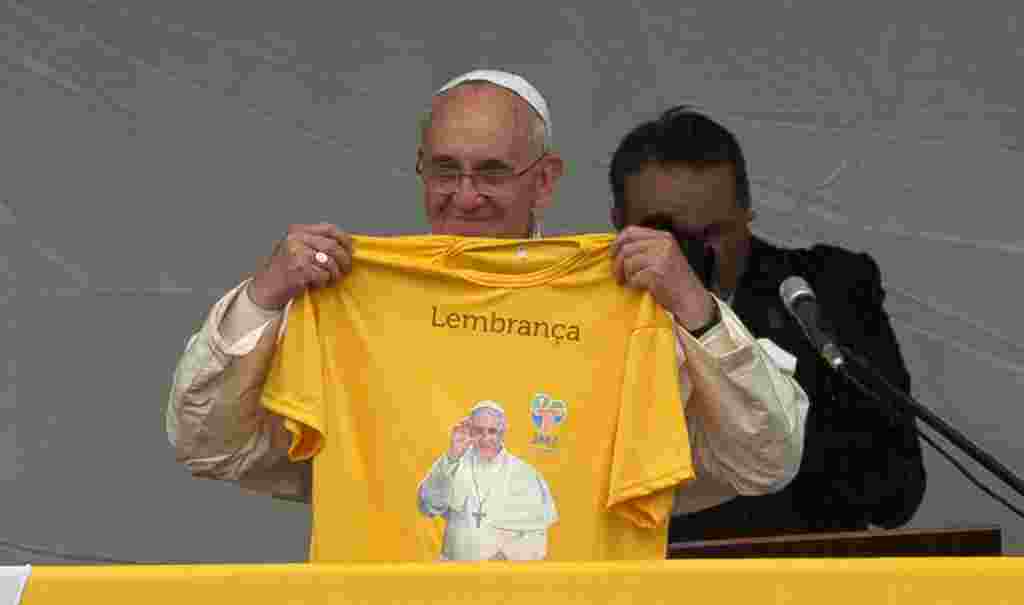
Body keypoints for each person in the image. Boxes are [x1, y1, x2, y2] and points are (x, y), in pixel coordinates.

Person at [166, 70, 808, 540]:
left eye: (492, 172)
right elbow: (205, 443)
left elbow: (767, 460)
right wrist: (262, 297)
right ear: (419, 169)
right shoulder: (347, 303)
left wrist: (696, 310)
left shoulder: (629, 303)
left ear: (546, 179)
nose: (465, 196)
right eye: (445, 170)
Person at [608, 106, 927, 541]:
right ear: (616, 225)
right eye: (666, 235)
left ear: (748, 215)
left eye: (712, 233)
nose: (684, 257)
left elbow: (897, 490)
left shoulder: (825, 293)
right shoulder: (588, 310)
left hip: (802, 580)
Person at [417, 401, 558, 561]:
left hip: (503, 576)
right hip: (453, 571)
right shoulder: (453, 463)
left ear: (503, 432)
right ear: (469, 430)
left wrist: (501, 560)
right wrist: (452, 456)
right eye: (478, 431)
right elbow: (428, 506)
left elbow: (536, 537)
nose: (485, 438)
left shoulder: (524, 474)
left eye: (492, 431)